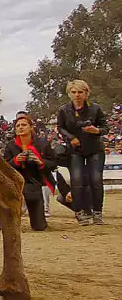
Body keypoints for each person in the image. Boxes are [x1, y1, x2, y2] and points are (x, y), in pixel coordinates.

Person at [55, 79, 108, 226]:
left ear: (86, 93)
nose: (77, 95)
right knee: (76, 181)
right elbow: (60, 127)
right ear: (69, 94)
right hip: (75, 150)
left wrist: (96, 130)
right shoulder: (64, 110)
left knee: (96, 180)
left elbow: (105, 127)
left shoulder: (95, 108)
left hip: (95, 149)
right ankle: (79, 212)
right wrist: (70, 138)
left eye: (80, 92)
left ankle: (97, 212)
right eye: (74, 92)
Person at [3, 116, 56, 231]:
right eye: (18, 126)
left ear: (31, 127)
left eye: (24, 125)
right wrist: (15, 160)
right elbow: (4, 167)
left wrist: (40, 161)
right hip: (16, 182)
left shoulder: (43, 144)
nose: (21, 128)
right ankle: (4, 219)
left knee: (39, 227)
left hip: (36, 182)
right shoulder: (10, 146)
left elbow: (54, 163)